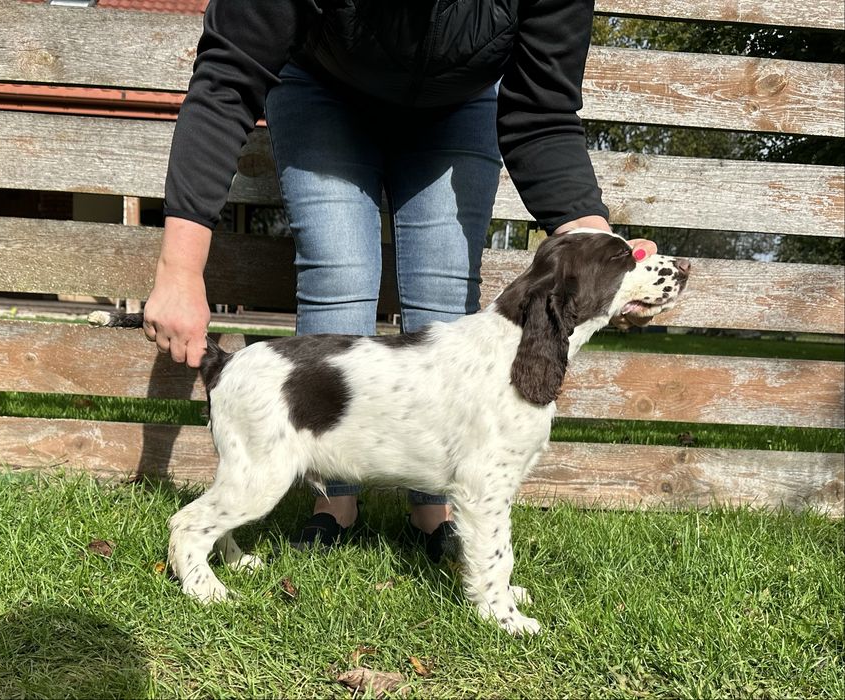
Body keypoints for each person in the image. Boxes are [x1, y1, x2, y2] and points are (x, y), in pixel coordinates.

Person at [144, 0, 657, 560]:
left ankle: (435, 509)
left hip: (457, 101)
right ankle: (333, 501)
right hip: (322, 84)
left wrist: (599, 255)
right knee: (338, 277)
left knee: (444, 293)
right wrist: (179, 269)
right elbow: (227, 80)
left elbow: (543, 114)